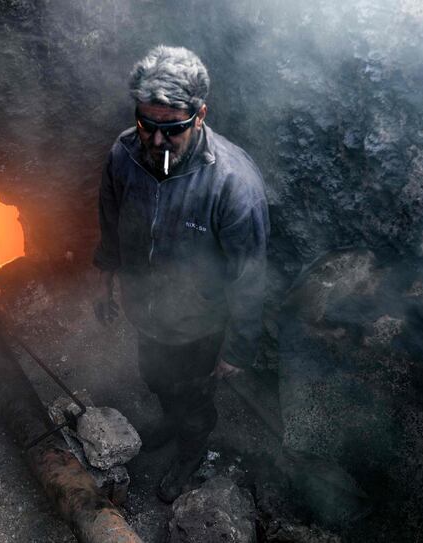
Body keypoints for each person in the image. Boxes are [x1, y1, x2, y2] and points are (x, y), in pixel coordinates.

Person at [92, 45, 269, 502]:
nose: (154, 141)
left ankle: (190, 449)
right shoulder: (123, 155)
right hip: (146, 310)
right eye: (146, 124)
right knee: (154, 377)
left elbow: (249, 276)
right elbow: (110, 221)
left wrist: (238, 347)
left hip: (198, 325)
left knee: (193, 398)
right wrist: (105, 276)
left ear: (200, 115)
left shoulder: (232, 185)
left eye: (170, 129)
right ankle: (170, 417)